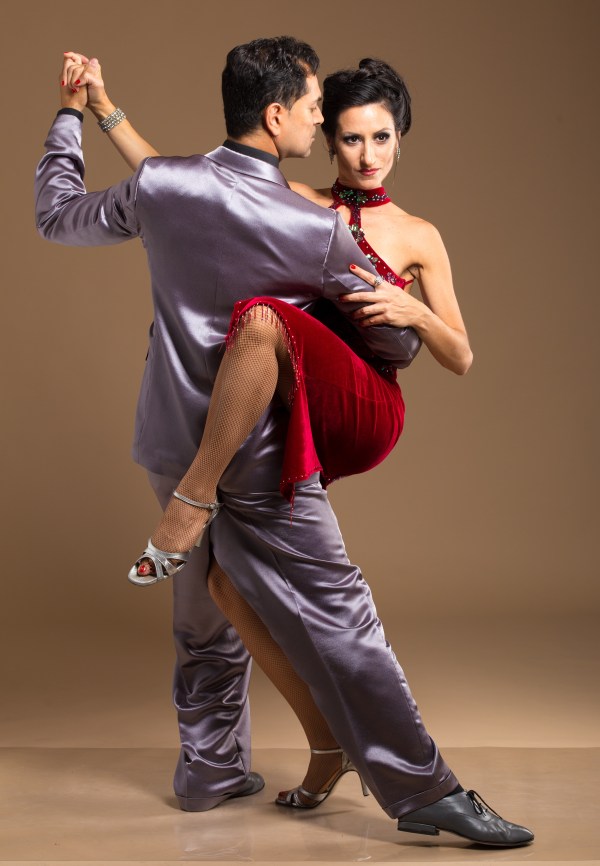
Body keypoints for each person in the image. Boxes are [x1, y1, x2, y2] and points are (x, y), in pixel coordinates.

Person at [36, 38, 533, 847]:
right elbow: (395, 347)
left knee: (206, 610)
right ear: (278, 117)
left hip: (170, 434)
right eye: (315, 111)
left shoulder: (165, 187)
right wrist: (388, 311)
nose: (323, 123)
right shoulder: (314, 228)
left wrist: (77, 113)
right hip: (265, 455)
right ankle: (422, 788)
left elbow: (59, 214)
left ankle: (208, 770)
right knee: (340, 617)